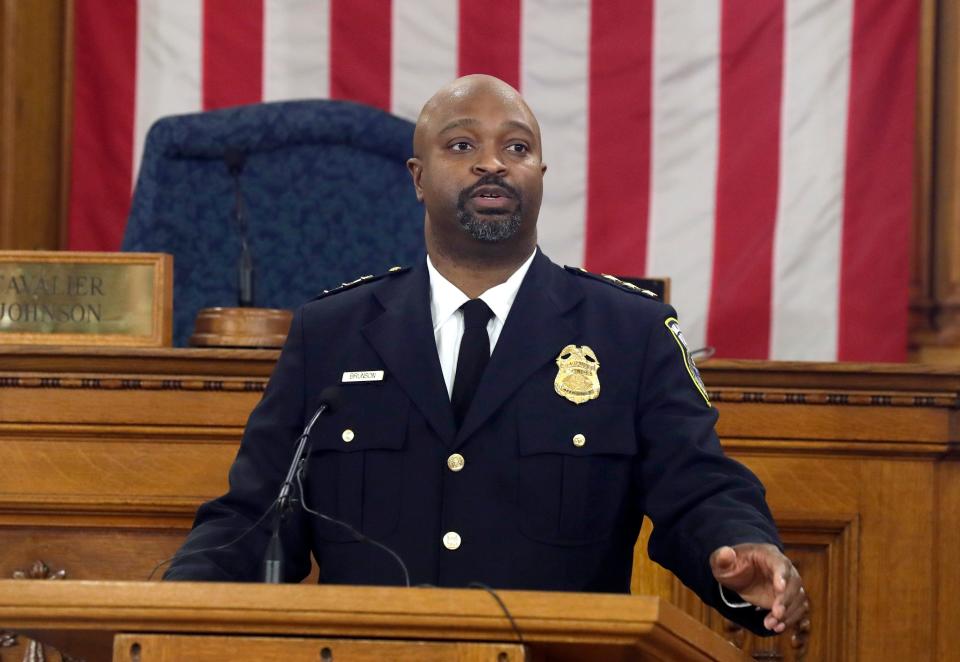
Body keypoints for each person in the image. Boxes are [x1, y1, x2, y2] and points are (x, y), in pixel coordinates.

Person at [165, 74, 809, 637]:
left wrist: (741, 550)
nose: (492, 164)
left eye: (517, 147)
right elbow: (254, 515)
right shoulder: (331, 333)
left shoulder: (629, 332)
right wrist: (166, 606)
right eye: (462, 144)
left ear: (540, 176)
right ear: (417, 178)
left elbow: (698, 487)